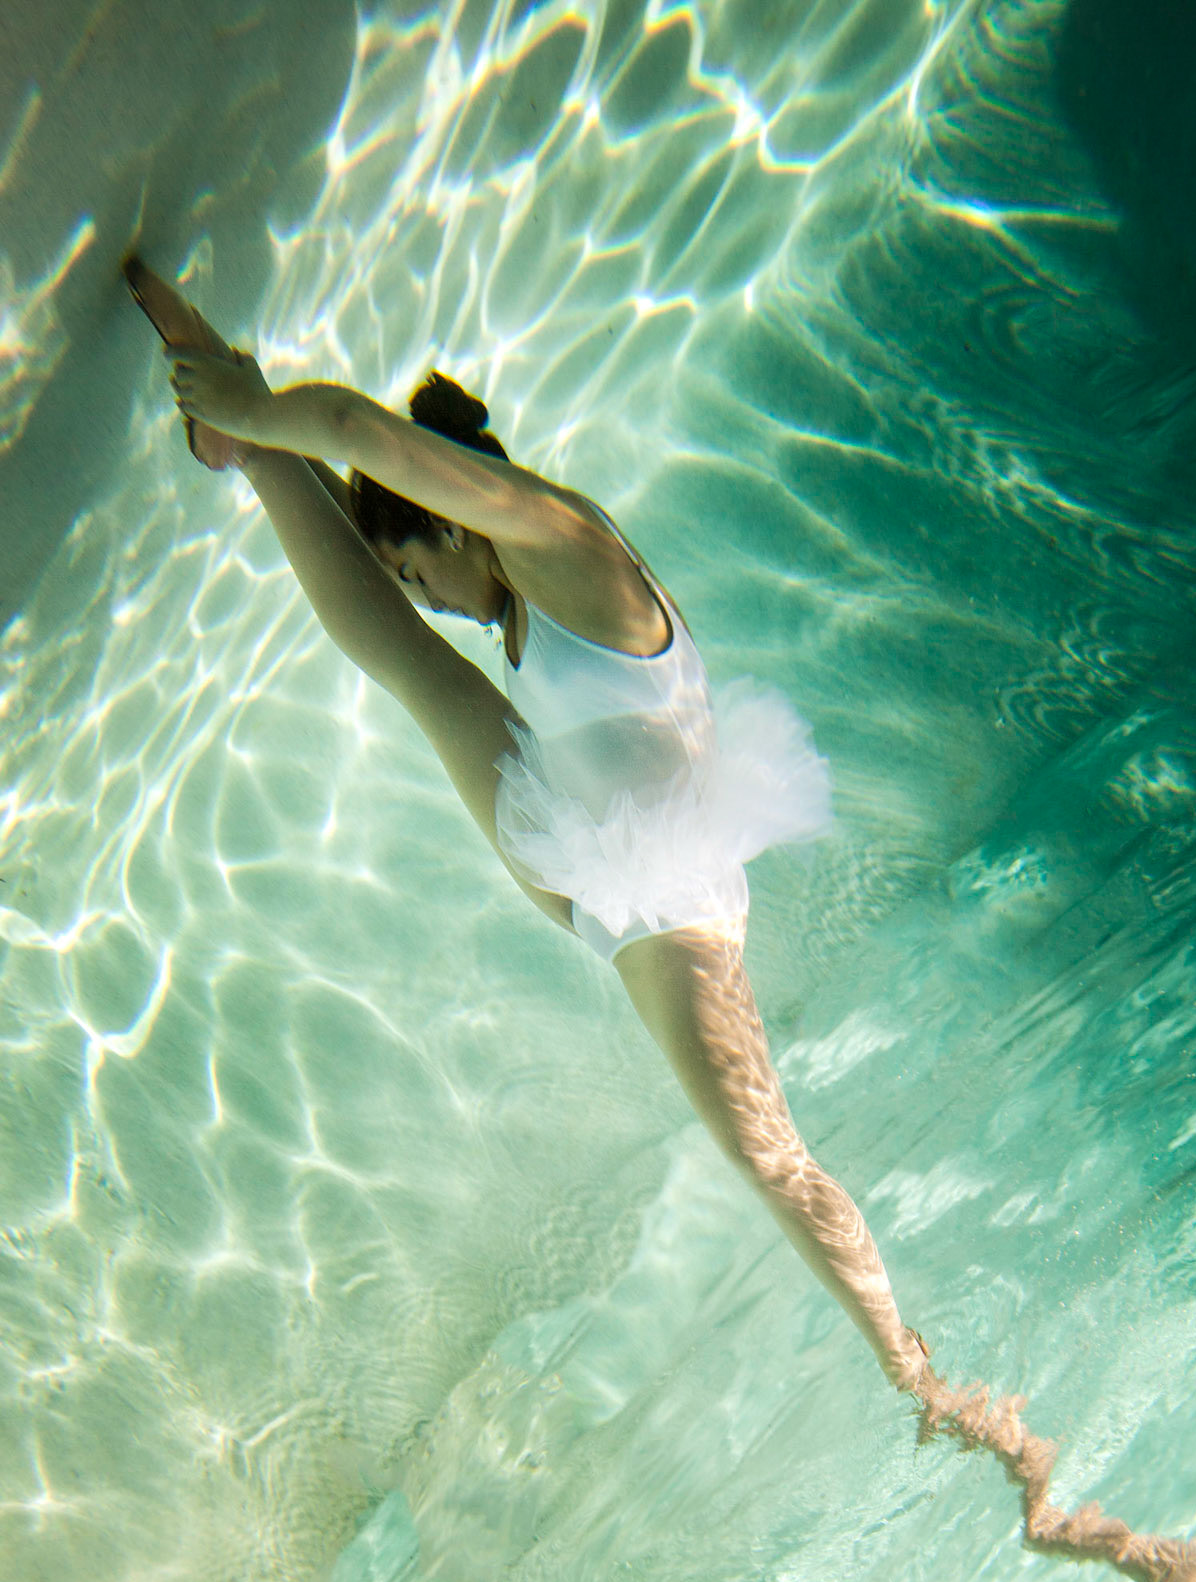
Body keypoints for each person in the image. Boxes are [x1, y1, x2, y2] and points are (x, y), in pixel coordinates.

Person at [123, 257, 931, 1395]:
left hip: (670, 910)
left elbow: (359, 423)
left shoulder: (563, 542)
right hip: (580, 840)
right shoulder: (508, 584)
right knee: (403, 659)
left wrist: (270, 405)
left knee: (766, 1151)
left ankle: (912, 1364)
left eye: (419, 567)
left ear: (459, 528)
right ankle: (249, 443)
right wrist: (256, 421)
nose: (433, 597)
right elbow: (383, 530)